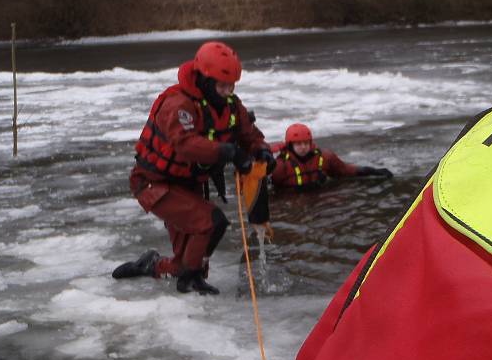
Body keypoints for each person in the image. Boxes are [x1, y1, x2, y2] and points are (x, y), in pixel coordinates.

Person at [112, 41, 274, 295]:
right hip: (155, 184)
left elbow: (248, 133)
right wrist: (228, 152)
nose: (227, 91)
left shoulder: (231, 104)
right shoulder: (178, 104)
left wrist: (262, 150)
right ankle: (189, 279)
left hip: (190, 183)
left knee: (188, 261)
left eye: (232, 86)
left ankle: (154, 266)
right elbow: (185, 144)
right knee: (211, 223)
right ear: (204, 79)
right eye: (222, 86)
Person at [269, 123, 392, 189]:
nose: (303, 147)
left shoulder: (325, 157)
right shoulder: (280, 166)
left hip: (319, 202)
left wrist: (372, 171)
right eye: (298, 144)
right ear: (290, 146)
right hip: (293, 204)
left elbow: (346, 170)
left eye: (306, 143)